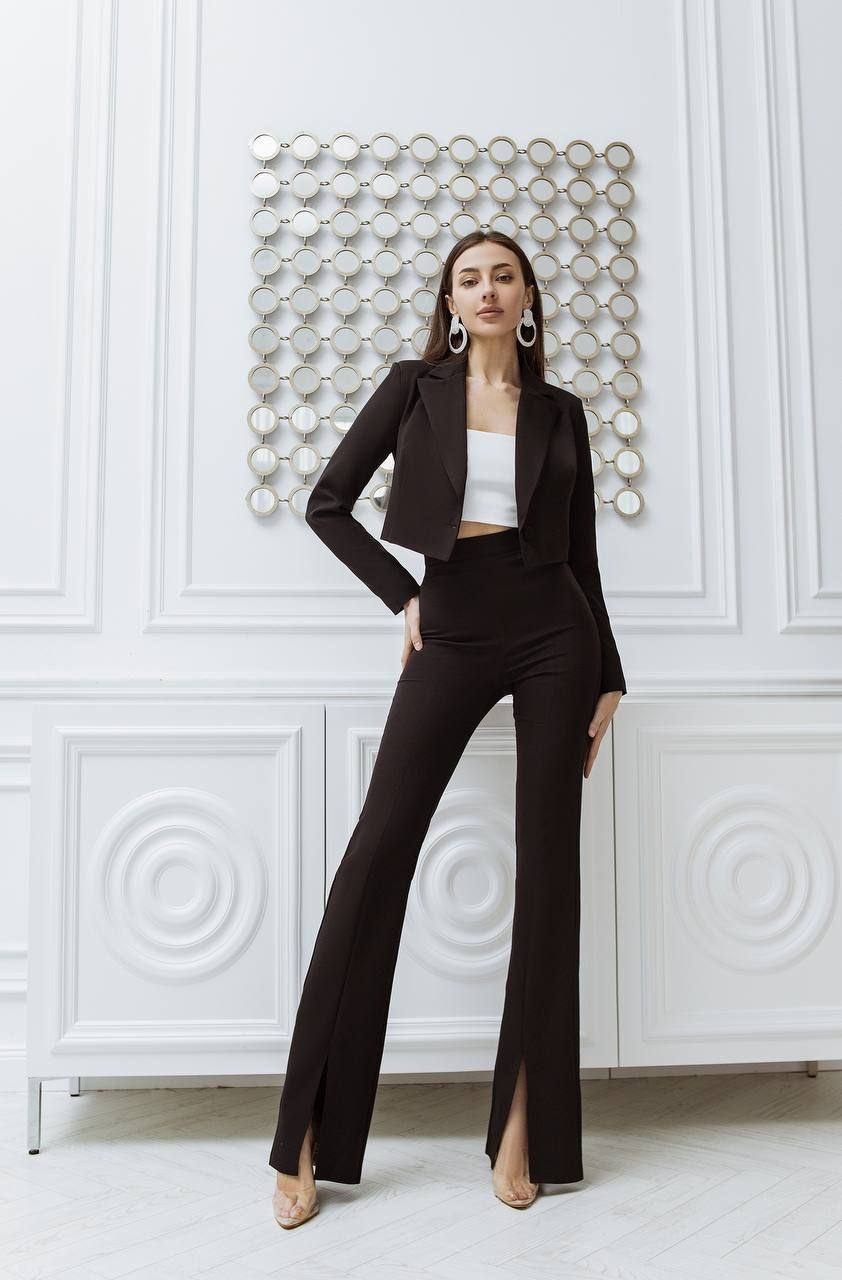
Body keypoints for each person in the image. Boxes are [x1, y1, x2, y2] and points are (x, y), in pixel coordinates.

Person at [269, 230, 626, 1228]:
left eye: (501, 275)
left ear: (525, 296)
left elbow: (584, 556)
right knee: (376, 853)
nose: (485, 289)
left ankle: (523, 1123)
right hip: (453, 619)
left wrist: (607, 674)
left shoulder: (558, 412)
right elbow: (326, 503)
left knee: (548, 866)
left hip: (555, 628)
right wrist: (402, 599)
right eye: (467, 277)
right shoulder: (413, 388)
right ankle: (304, 1131)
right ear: (448, 298)